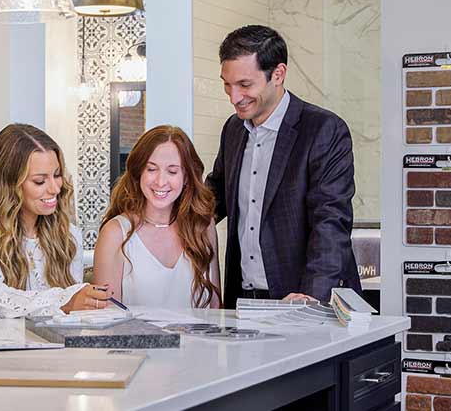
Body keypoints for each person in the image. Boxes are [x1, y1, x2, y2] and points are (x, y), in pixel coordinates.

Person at [205, 25, 361, 307]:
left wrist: (313, 294)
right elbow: (214, 196)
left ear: (277, 74)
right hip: (244, 299)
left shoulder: (323, 129)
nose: (233, 97)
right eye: (227, 84)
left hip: (304, 298)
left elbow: (331, 221)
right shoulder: (233, 129)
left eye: (244, 85)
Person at [0, 123, 110, 325]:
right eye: (40, 181)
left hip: (45, 349)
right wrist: (63, 301)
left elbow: (69, 318)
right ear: (9, 183)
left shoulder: (67, 234)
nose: (55, 189)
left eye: (57, 175)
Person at [93, 125, 220, 309]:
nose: (160, 182)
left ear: (186, 177)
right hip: (134, 339)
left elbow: (216, 311)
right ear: (139, 173)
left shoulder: (203, 226)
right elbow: (106, 321)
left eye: (172, 171)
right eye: (151, 169)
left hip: (199, 338)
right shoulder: (115, 233)